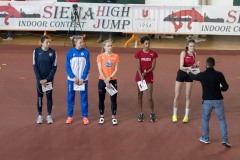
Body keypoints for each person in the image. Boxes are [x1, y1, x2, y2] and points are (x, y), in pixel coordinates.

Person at [188, 57, 231, 147]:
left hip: (207, 101)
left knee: (205, 119)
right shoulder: (219, 74)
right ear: (214, 64)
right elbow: (226, 87)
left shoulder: (202, 75)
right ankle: (225, 139)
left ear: (206, 65)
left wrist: (189, 71)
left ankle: (206, 138)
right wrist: (221, 88)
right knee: (222, 119)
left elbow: (193, 76)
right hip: (218, 100)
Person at [172, 39, 199, 123]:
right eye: (191, 46)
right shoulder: (183, 53)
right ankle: (174, 115)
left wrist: (196, 65)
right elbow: (181, 67)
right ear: (187, 46)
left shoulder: (194, 54)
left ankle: (186, 115)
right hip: (181, 74)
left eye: (194, 46)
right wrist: (189, 68)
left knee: (188, 96)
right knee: (177, 95)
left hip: (189, 75)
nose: (192, 48)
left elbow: (193, 66)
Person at [65, 35, 90, 125]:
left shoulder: (86, 52)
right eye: (80, 42)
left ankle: (85, 117)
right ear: (75, 43)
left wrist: (83, 78)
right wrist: (73, 77)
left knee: (84, 98)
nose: (82, 44)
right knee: (70, 98)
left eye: (82, 42)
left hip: (83, 80)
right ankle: (70, 116)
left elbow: (87, 66)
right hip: (72, 80)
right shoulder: (70, 53)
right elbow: (67, 67)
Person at [33, 35, 57, 124]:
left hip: (48, 80)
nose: (49, 44)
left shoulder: (53, 52)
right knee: (39, 97)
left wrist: (47, 79)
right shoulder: (36, 51)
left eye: (50, 42)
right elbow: (35, 66)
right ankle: (40, 115)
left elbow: (54, 67)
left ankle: (49, 115)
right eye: (47, 42)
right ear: (42, 42)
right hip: (39, 80)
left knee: (49, 97)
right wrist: (39, 79)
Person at [96, 40, 120, 125]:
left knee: (113, 99)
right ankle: (102, 116)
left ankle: (113, 117)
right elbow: (100, 70)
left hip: (112, 81)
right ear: (104, 47)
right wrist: (105, 81)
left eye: (111, 46)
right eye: (108, 46)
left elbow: (116, 69)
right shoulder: (100, 56)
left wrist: (109, 79)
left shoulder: (116, 56)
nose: (110, 47)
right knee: (101, 99)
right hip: (102, 81)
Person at [135, 36, 158, 122]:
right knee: (140, 95)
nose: (147, 45)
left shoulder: (153, 54)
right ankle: (140, 113)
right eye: (146, 44)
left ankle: (152, 113)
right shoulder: (139, 54)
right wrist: (141, 76)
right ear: (142, 44)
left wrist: (145, 73)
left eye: (149, 43)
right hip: (140, 77)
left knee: (149, 97)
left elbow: (153, 67)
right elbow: (138, 67)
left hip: (148, 77)